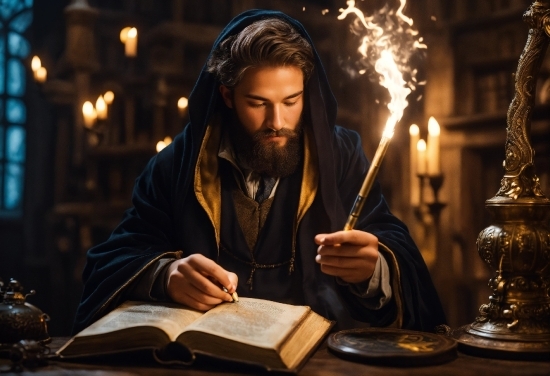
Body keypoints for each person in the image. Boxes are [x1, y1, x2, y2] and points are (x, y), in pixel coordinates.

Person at [74, 9, 446, 333]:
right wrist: (164, 276)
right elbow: (112, 260)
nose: (277, 122)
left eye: (291, 101)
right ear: (227, 96)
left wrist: (373, 269)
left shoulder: (340, 156)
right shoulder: (177, 164)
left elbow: (395, 248)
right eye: (257, 103)